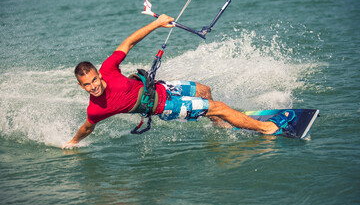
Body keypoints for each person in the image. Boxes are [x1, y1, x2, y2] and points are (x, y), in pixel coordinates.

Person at [62, 14, 294, 149]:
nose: (93, 87)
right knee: (220, 106)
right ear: (80, 86)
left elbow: (129, 42)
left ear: (99, 74)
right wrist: (72, 143)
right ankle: (267, 129)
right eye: (87, 85)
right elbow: (87, 127)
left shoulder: (109, 68)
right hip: (164, 106)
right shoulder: (95, 109)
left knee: (205, 90)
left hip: (162, 88)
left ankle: (217, 122)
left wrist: (157, 23)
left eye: (94, 80)